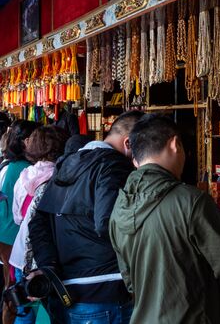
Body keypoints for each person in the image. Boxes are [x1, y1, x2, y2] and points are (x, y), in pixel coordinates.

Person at [109, 114, 220, 324]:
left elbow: (131, 283)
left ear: (135, 159)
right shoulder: (191, 202)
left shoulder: (121, 204)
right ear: (175, 144)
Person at [28, 111, 144, 324]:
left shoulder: (69, 164)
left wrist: (49, 267)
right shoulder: (113, 165)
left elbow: (38, 222)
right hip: (105, 293)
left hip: (67, 292)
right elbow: (109, 223)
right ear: (128, 143)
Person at [10, 126, 68, 324]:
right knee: (51, 312)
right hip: (47, 258)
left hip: (21, 254)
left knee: (24, 312)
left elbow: (17, 217)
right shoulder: (60, 178)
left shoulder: (25, 175)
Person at [0, 120, 41, 324]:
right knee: (18, 294)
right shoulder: (29, 170)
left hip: (6, 234)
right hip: (14, 237)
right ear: (26, 141)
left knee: (11, 289)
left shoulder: (10, 165)